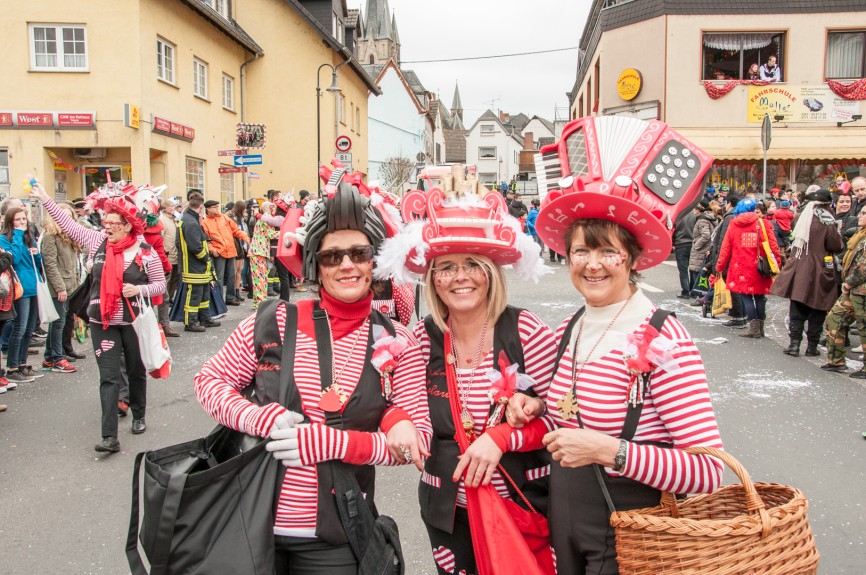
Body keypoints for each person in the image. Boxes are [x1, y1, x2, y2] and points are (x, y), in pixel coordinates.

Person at [194, 183, 430, 572]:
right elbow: (209, 381)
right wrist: (258, 417)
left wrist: (334, 443)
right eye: (332, 256)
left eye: (359, 253)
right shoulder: (274, 321)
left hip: (335, 537)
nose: (347, 265)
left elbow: (413, 443)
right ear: (315, 265)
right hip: (250, 525)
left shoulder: (396, 340)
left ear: (376, 261)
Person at [508, 170, 724, 574]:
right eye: (580, 252)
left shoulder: (663, 339)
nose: (592, 265)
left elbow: (708, 469)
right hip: (567, 530)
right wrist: (536, 405)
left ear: (633, 257)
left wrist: (609, 451)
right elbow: (573, 411)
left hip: (632, 539)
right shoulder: (570, 327)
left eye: (608, 252)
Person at [375, 187, 555, 575]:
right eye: (446, 267)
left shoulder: (527, 330)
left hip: (524, 509)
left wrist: (503, 437)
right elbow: (395, 403)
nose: (460, 277)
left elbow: (564, 419)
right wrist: (396, 423)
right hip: (449, 515)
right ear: (433, 278)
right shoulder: (422, 339)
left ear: (490, 273)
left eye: (472, 264)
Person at [29, 182, 166, 453]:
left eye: (114, 222)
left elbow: (160, 284)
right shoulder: (96, 242)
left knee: (137, 372)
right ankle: (109, 437)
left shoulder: (144, 251)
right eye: (106, 221)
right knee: (109, 377)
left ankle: (139, 414)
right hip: (102, 322)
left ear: (128, 225)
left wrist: (139, 289)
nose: (108, 226)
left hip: (133, 322)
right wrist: (45, 198)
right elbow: (68, 226)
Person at [771, 189, 844, 357]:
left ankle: (794, 344)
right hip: (820, 268)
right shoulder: (827, 221)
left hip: (799, 266)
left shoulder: (801, 218)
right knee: (818, 307)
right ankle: (812, 346)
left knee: (797, 306)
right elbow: (835, 245)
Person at [715, 198, 781, 338]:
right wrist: (777, 263)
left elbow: (726, 248)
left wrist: (719, 266)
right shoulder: (763, 223)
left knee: (746, 297)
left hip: (740, 267)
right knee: (759, 297)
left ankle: (753, 327)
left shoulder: (734, 225)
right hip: (760, 266)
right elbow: (773, 246)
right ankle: (760, 327)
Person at [0, 208, 44, 383]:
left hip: (34, 285)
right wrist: (18, 235)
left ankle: (22, 363)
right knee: (20, 327)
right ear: (10, 222)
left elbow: (38, 263)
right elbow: (15, 259)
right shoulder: (6, 238)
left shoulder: (28, 237)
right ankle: (12, 367)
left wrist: (37, 253)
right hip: (20, 288)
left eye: (24, 219)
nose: (22, 222)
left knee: (29, 329)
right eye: (18, 219)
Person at [824, 206, 866, 375]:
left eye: (864, 213)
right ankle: (836, 360)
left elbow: (863, 267)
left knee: (864, 329)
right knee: (834, 318)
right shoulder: (860, 235)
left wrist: (848, 283)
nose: (859, 216)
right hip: (854, 289)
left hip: (860, 290)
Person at [39, 202, 81, 373]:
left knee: (60, 321)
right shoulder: (50, 236)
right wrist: (60, 287)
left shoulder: (69, 236)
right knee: (58, 323)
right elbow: (50, 265)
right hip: (59, 286)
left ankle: (50, 357)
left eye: (70, 217)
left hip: (71, 283)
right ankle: (57, 357)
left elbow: (74, 263)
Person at [177, 192, 218, 332]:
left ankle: (204, 318)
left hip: (198, 267)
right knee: (194, 296)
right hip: (194, 266)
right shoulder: (191, 222)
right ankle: (191, 322)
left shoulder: (189, 219)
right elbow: (195, 247)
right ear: (201, 207)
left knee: (204, 295)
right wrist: (206, 258)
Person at [706, 192, 747, 327]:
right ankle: (740, 314)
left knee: (733, 286)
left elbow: (724, 241)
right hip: (740, 257)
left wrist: (718, 262)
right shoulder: (741, 216)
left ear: (729, 203)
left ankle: (738, 316)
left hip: (730, 259)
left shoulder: (730, 217)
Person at [201, 199, 249, 307]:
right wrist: (212, 249)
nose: (217, 209)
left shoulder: (224, 218)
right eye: (214, 207)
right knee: (219, 277)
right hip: (219, 252)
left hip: (230, 250)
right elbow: (206, 239)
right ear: (208, 209)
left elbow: (235, 230)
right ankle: (219, 299)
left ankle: (230, 297)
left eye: (217, 207)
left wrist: (245, 237)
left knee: (231, 275)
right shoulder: (205, 222)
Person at [248, 201, 280, 309]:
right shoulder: (266, 218)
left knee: (259, 277)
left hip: (258, 251)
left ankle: (258, 301)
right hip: (259, 251)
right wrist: (285, 232)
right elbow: (271, 234)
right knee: (260, 277)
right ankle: (260, 301)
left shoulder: (264, 218)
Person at [158, 200, 180, 337]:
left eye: (173, 206)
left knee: (174, 280)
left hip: (174, 254)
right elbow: (161, 239)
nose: (173, 208)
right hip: (167, 255)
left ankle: (164, 320)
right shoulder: (161, 220)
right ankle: (163, 323)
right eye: (170, 206)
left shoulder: (174, 220)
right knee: (163, 290)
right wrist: (165, 253)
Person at [688, 200, 717, 303]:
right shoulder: (709, 218)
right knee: (701, 274)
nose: (694, 211)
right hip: (706, 249)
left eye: (695, 208)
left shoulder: (702, 220)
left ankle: (699, 297)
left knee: (698, 273)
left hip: (701, 251)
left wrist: (696, 246)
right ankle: (702, 296)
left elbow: (706, 236)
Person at [672, 203, 696, 298]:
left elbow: (673, 229)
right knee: (692, 269)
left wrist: (673, 242)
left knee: (683, 270)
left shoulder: (678, 216)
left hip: (680, 243)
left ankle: (685, 291)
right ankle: (693, 290)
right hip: (692, 243)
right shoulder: (694, 215)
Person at [229, 200, 250, 302]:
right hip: (235, 246)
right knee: (235, 271)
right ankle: (233, 292)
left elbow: (244, 231)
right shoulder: (232, 218)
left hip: (242, 246)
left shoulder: (242, 220)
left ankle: (237, 291)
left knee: (239, 271)